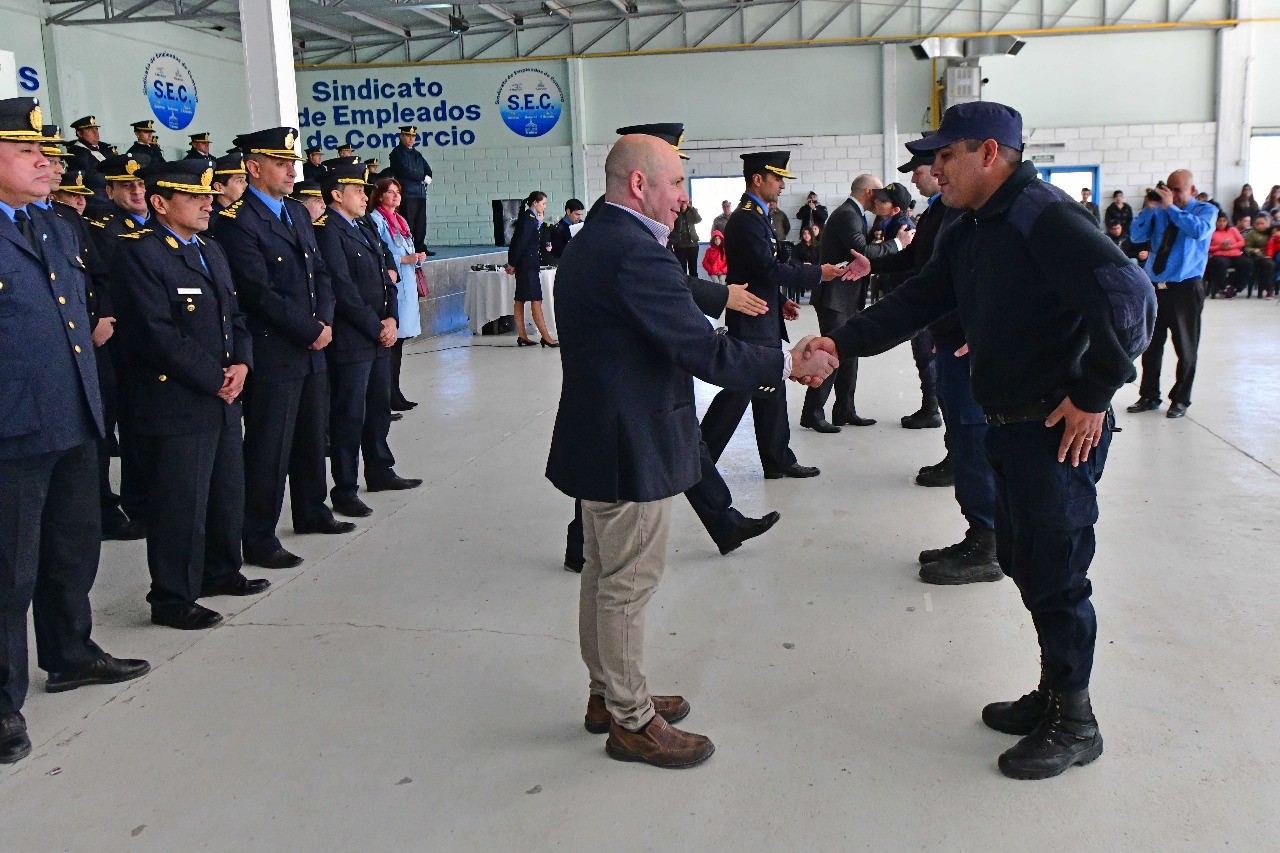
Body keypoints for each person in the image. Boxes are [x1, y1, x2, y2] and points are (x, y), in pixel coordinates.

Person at [807, 101, 1155, 780]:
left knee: (1058, 574)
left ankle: (1076, 720)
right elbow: (918, 300)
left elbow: (1130, 298)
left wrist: (1093, 392)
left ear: (989, 152)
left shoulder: (1042, 214)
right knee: (1025, 560)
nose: (933, 169)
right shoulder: (970, 226)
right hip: (1010, 427)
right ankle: (1055, 691)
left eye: (945, 155)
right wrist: (839, 342)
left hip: (1055, 430)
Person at [545, 126, 837, 769]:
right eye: (677, 182)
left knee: (602, 573)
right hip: (632, 439)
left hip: (603, 434)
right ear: (640, 184)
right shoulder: (632, 250)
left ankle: (608, 694)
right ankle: (630, 720)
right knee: (627, 582)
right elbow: (700, 348)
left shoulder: (602, 239)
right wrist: (784, 362)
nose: (685, 197)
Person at [0, 99, 151, 765]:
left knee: (71, 549)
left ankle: (70, 651)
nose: (46, 162)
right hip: (11, 427)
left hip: (71, 413)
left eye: (48, 152)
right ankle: (3, 701)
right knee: (9, 570)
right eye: (27, 151)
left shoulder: (57, 224)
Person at [110, 157, 269, 630]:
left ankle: (221, 571)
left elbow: (235, 316)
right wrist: (215, 378)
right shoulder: (139, 253)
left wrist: (241, 363)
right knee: (179, 502)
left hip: (221, 393)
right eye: (194, 197)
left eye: (208, 195)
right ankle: (173, 597)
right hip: (177, 399)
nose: (207, 203)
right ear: (160, 203)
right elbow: (156, 334)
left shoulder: (209, 249)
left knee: (224, 490)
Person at [211, 126, 354, 570]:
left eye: (292, 163)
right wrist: (309, 328)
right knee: (270, 446)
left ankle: (312, 509)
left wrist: (325, 321)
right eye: (281, 163)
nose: (292, 170)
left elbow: (322, 273)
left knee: (313, 435)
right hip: (276, 348)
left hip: (313, 343)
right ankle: (258, 535)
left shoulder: (294, 212)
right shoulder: (236, 222)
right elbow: (255, 291)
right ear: (253, 167)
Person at [701, 151, 857, 477]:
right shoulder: (746, 218)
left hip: (762, 312)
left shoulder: (758, 215)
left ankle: (777, 460)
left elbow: (760, 271)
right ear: (758, 179)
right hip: (751, 317)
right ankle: (697, 461)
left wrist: (779, 300)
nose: (783, 185)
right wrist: (817, 273)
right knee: (740, 391)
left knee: (770, 388)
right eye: (778, 178)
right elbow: (768, 268)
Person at [884, 142, 998, 584]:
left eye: (935, 162)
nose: (924, 174)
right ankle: (979, 535)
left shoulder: (984, 213)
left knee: (973, 439)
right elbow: (932, 275)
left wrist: (981, 325)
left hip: (966, 346)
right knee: (965, 439)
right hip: (951, 338)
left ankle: (986, 545)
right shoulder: (949, 212)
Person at [316, 161, 422, 519]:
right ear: (336, 195)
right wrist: (376, 325)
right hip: (353, 338)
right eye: (358, 190)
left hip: (380, 334)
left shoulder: (362, 225)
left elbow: (386, 272)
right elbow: (341, 289)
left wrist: (391, 316)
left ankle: (380, 469)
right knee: (349, 415)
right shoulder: (328, 230)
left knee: (378, 408)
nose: (365, 196)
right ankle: (344, 489)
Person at [801, 174, 913, 432]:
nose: (880, 198)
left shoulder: (854, 213)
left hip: (846, 296)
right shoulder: (847, 214)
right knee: (830, 353)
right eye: (878, 192)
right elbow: (862, 252)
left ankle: (844, 409)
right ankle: (812, 413)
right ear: (870, 192)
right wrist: (898, 243)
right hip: (835, 297)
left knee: (850, 352)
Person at [87, 152, 155, 540]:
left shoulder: (156, 224)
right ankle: (131, 504)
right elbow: (104, 283)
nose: (135, 191)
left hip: (154, 344)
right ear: (109, 190)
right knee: (127, 425)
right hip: (123, 344)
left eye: (140, 185)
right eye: (126, 186)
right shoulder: (103, 228)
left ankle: (145, 500)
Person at [1127, 169, 1216, 418]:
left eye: (1178, 190)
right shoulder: (1160, 211)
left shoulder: (1206, 211)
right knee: (1151, 346)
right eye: (1170, 188)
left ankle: (1180, 400)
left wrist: (1172, 210)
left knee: (1185, 348)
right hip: (1155, 287)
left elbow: (1198, 231)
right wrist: (1150, 208)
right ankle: (1148, 395)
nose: (1172, 194)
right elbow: (1136, 235)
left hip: (1185, 288)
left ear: (1192, 191)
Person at [366, 177, 425, 410]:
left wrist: (416, 258)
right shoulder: (377, 220)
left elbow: (406, 247)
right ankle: (386, 395)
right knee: (390, 344)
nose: (395, 196)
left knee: (398, 345)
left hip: (406, 283)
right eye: (390, 192)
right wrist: (404, 260)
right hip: (392, 286)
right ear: (380, 196)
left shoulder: (400, 220)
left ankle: (395, 392)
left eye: (398, 192)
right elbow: (381, 256)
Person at [505, 190, 557, 348]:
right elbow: (519, 243)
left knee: (520, 299)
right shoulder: (528, 219)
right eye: (543, 203)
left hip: (527, 264)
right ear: (535, 203)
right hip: (527, 265)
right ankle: (546, 336)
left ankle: (522, 335)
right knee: (536, 299)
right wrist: (512, 263)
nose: (545, 206)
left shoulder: (531, 219)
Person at [387, 126, 434, 255]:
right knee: (409, 222)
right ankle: (409, 248)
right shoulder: (397, 153)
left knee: (420, 223)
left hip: (419, 192)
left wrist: (427, 176)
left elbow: (427, 169)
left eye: (413, 136)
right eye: (408, 136)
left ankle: (420, 247)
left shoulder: (416, 154)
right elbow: (404, 170)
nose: (411, 139)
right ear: (401, 136)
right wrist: (422, 177)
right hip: (407, 193)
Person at [1204, 212, 1252, 299]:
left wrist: (1232, 246)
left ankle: (1236, 287)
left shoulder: (1232, 229)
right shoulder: (1210, 231)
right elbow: (1206, 247)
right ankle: (1223, 287)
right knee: (1220, 263)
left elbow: (1242, 242)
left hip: (1234, 253)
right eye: (1219, 221)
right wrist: (1220, 247)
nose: (1222, 223)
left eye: (1224, 221)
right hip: (1218, 254)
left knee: (1246, 262)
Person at [1243, 210, 1275, 298]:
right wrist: (1253, 250)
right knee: (1262, 265)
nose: (1259, 226)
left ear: (1268, 223)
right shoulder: (1252, 233)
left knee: (1269, 265)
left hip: (1270, 256)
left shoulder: (1272, 232)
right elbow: (1246, 247)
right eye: (1257, 224)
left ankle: (1269, 289)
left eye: (1262, 223)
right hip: (1257, 257)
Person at [671, 199, 701, 276]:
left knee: (693, 269)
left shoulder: (691, 212)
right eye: (682, 203)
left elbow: (698, 220)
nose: (683, 205)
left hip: (692, 245)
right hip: (680, 245)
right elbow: (671, 227)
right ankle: (684, 286)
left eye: (685, 203)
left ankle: (694, 287)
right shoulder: (675, 213)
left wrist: (691, 208)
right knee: (682, 270)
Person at [211, 151, 247, 215]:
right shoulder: (212, 218)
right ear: (219, 187)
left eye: (245, 180)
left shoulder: (246, 210)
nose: (246, 185)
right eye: (240, 181)